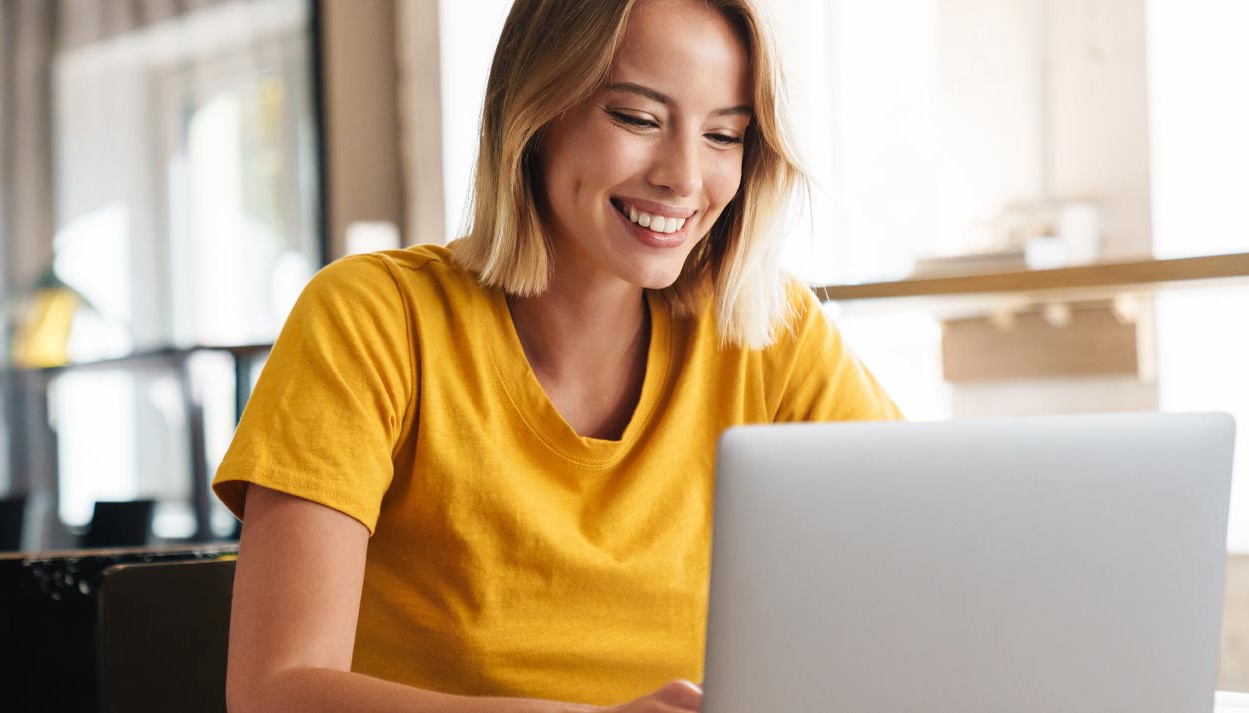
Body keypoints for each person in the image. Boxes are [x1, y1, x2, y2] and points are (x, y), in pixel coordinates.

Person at [214, 1, 900, 710]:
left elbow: (926, 561)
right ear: (534, 112)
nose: (685, 178)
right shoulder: (373, 319)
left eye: (724, 134)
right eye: (637, 118)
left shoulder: (770, 339)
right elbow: (274, 692)